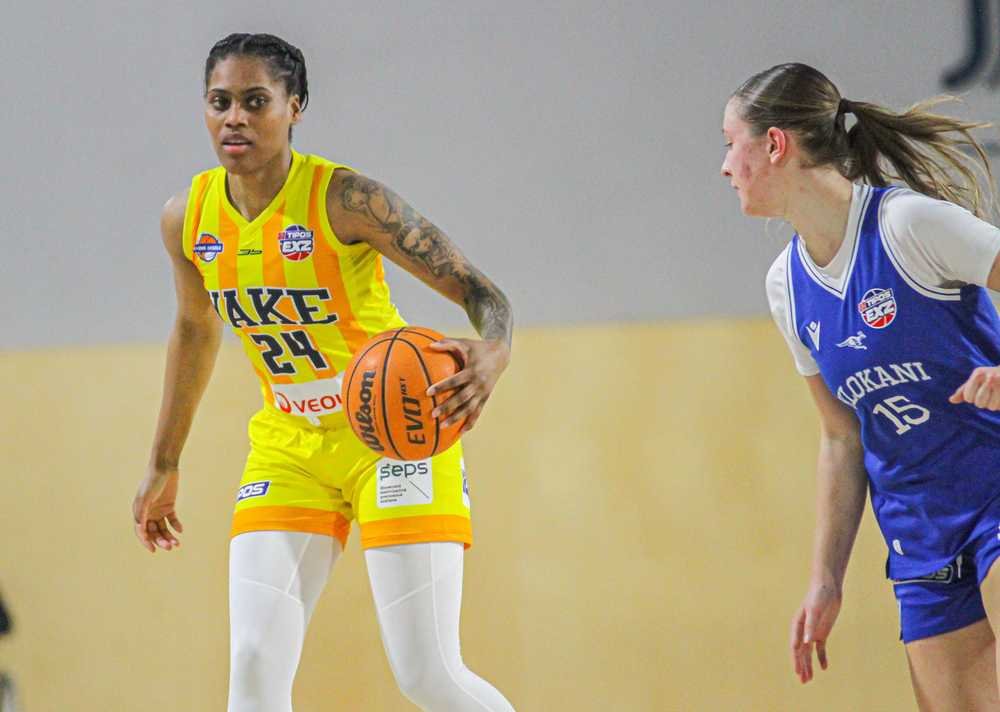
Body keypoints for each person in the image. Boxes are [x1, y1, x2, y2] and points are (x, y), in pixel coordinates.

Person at [131, 33, 516, 712]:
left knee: (428, 672)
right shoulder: (187, 218)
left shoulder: (346, 199)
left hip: (393, 436)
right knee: (253, 666)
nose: (235, 118)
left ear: (295, 107)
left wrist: (495, 349)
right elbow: (194, 329)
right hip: (288, 446)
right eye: (220, 102)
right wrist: (164, 462)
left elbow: (482, 293)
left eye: (256, 101)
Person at [722, 62, 1000, 710]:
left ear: (775, 144)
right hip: (919, 530)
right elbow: (841, 438)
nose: (725, 166)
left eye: (731, 143)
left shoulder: (907, 226)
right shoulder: (787, 286)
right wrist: (826, 579)